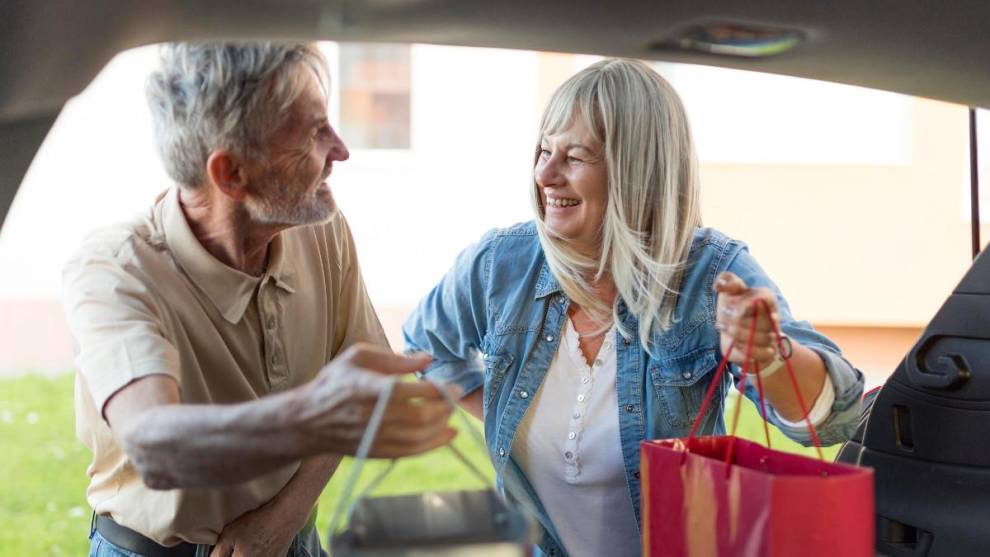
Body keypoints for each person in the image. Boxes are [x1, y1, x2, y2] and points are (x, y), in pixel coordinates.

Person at [402, 58, 865, 557]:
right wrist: (503, 415)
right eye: (543, 150)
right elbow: (426, 348)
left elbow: (835, 420)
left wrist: (769, 356)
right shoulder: (501, 263)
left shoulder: (712, 273)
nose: (545, 174)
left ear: (636, 170)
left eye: (574, 157)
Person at [63, 42, 457, 557]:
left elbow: (354, 381)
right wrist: (313, 416)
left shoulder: (321, 227)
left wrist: (283, 518)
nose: (340, 150)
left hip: (291, 537)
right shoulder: (115, 268)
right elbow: (155, 444)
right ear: (231, 173)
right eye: (313, 134)